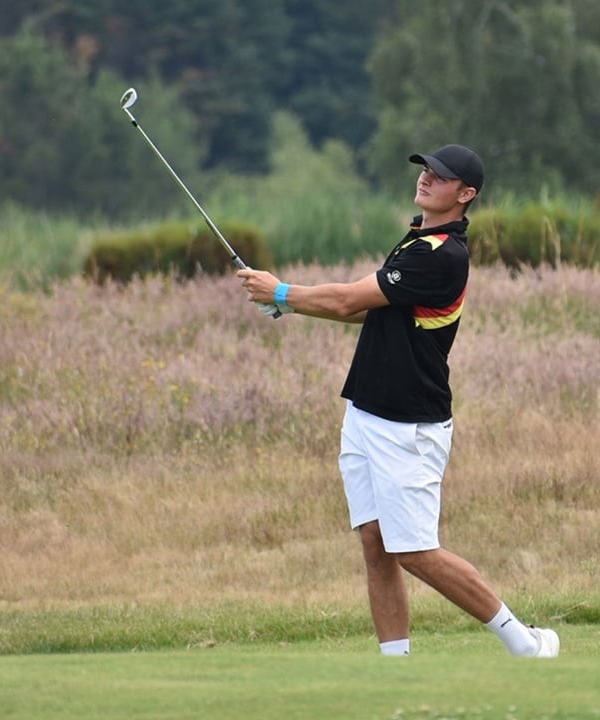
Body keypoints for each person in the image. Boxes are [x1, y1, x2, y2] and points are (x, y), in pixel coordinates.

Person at [237, 144, 559, 658]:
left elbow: (346, 298)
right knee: (375, 543)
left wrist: (282, 293)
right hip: (366, 411)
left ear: (466, 194)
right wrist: (292, 305)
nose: (427, 178)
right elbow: (366, 311)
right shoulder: (416, 240)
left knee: (414, 551)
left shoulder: (443, 255)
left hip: (409, 424)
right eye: (426, 169)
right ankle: (396, 666)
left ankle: (524, 644)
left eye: (442, 175)